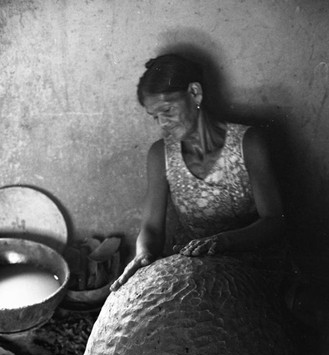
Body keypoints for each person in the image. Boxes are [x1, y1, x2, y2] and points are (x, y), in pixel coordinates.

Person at [110, 53, 286, 292]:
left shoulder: (248, 143)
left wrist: (223, 241)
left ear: (194, 93)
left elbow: (274, 221)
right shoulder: (160, 154)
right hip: (194, 269)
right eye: (155, 117)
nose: (163, 123)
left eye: (168, 109)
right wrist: (144, 254)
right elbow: (151, 227)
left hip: (254, 267)